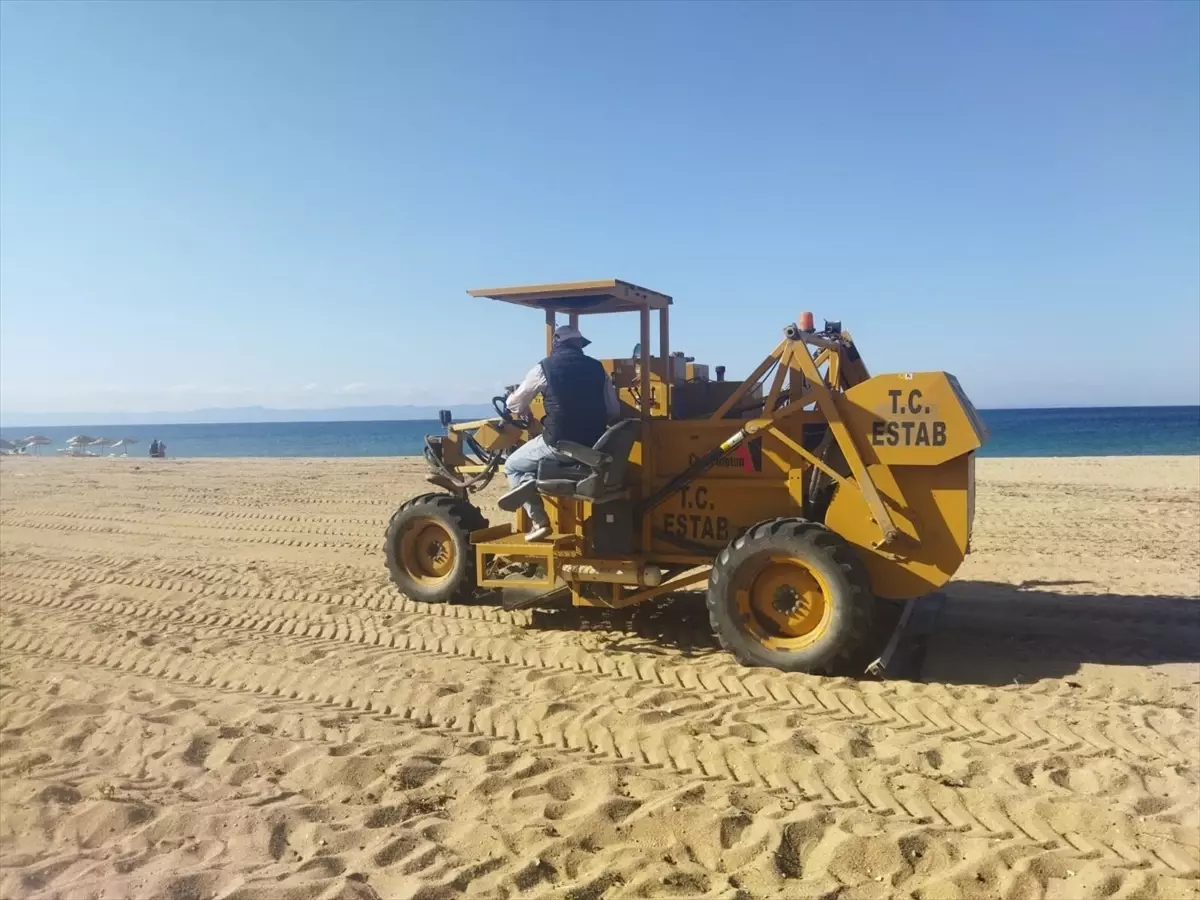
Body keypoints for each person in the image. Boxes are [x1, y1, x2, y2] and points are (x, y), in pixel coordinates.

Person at [504, 324, 620, 541]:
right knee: (528, 466)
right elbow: (614, 409)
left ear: (556, 342)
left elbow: (515, 403)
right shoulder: (598, 368)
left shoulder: (543, 368)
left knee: (513, 465)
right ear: (579, 345)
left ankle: (539, 521)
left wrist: (521, 407)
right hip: (594, 445)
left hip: (558, 442)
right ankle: (530, 481)